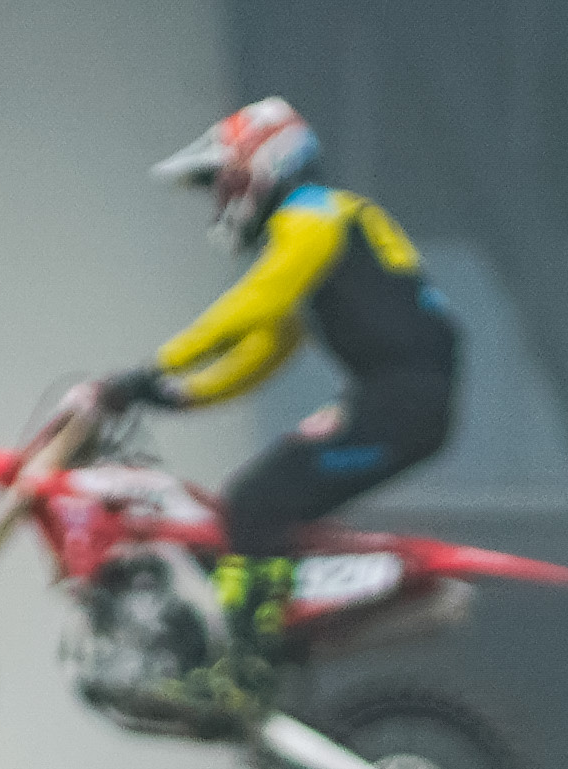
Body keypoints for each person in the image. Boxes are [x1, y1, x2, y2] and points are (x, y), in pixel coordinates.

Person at [98, 97, 458, 712]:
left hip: (400, 405)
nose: (220, 199)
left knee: (255, 503)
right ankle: (271, 645)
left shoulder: (316, 216)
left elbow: (255, 303)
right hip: (394, 403)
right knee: (249, 504)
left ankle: (244, 673)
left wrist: (154, 368)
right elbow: (266, 348)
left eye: (225, 182)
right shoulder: (314, 236)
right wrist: (176, 395)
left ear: (264, 166)